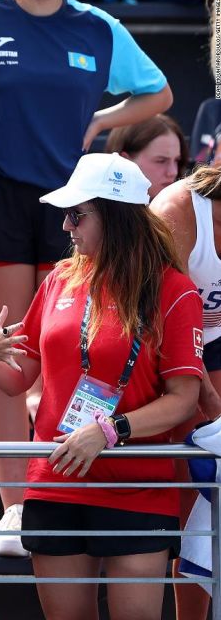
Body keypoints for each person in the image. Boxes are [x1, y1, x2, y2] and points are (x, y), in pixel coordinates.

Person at [0, 0, 173, 556]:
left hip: (78, 200)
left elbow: (160, 91)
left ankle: (69, 491)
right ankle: (14, 509)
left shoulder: (98, 26)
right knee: (8, 350)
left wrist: (101, 119)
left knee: (69, 355)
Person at [0, 153, 202, 620]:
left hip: (137, 485)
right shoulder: (60, 278)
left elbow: (184, 399)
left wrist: (109, 430)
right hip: (57, 483)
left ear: (117, 217)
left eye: (77, 214)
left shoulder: (173, 289)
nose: (64, 226)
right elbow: (19, 381)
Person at [149, 165, 221, 620]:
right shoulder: (178, 211)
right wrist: (207, 398)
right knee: (187, 497)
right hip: (157, 342)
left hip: (211, 346)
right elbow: (155, 317)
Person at [105, 114, 188, 200]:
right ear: (125, 161)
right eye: (161, 161)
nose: (173, 172)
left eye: (177, 160)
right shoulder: (95, 211)